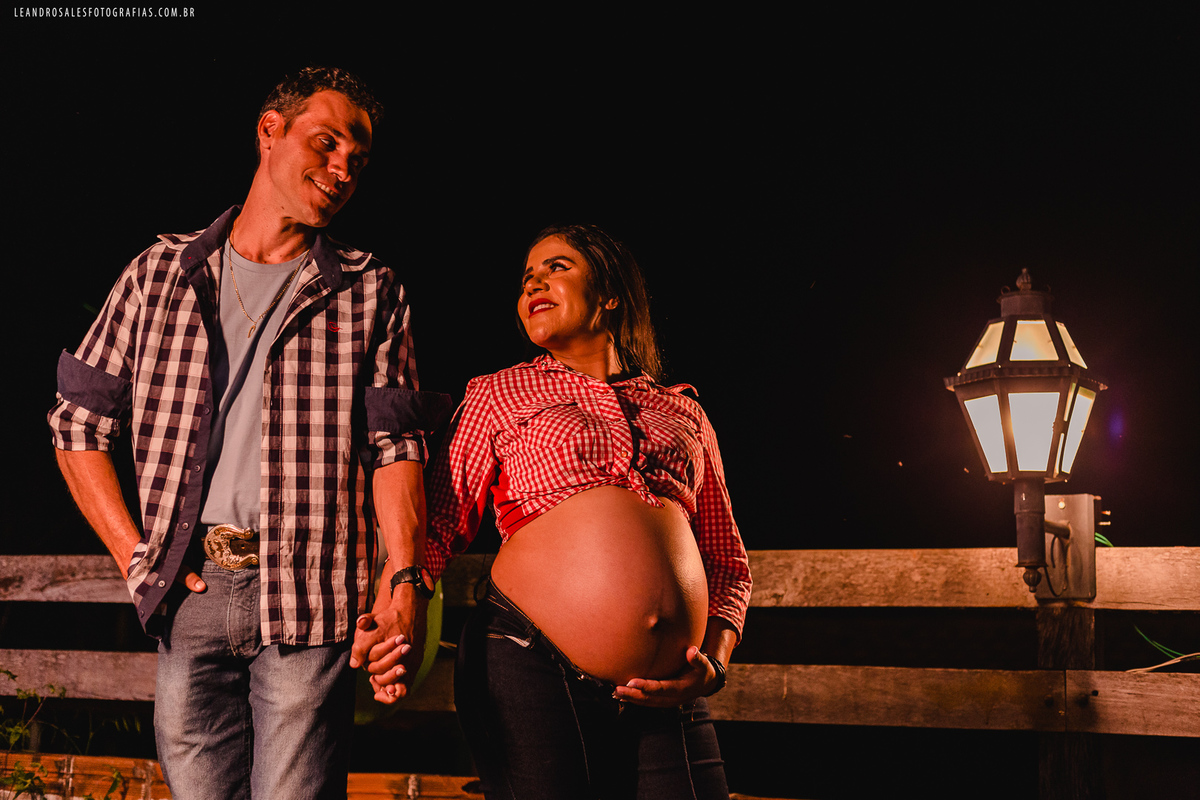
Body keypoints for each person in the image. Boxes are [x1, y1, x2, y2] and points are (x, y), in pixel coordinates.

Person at [47, 66, 447, 800]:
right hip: (190, 585)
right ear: (270, 130)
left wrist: (403, 580)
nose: (341, 170)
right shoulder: (159, 272)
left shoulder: (369, 288)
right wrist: (133, 556)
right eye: (327, 144)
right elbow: (78, 421)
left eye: (357, 160)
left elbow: (396, 446)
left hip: (313, 590)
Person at [359, 224, 752, 799]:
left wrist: (712, 664)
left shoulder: (684, 414)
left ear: (611, 292)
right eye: (526, 277)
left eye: (557, 268)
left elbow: (726, 561)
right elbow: (436, 525)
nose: (534, 283)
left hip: (671, 687)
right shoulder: (499, 393)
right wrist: (398, 611)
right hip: (529, 661)